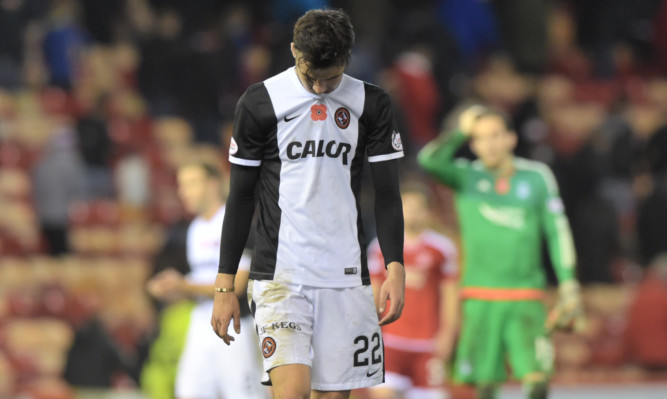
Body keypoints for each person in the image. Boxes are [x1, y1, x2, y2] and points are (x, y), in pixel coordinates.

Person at [210, 9, 406, 399]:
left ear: (347, 59)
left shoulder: (373, 103)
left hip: (345, 276)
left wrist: (395, 265)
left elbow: (386, 193)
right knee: (293, 392)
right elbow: (241, 195)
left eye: (329, 78)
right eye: (309, 76)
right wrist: (224, 284)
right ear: (293, 51)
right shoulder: (260, 101)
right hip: (280, 274)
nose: (319, 88)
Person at [417, 105, 585, 399]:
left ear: (511, 138)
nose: (489, 144)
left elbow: (557, 231)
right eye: (480, 138)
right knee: (484, 385)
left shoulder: (536, 177)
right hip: (480, 296)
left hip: (526, 295)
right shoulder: (465, 177)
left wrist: (569, 282)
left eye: (495, 135)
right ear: (473, 144)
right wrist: (459, 129)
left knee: (538, 382)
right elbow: (428, 160)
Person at [147, 162, 267, 399]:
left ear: (213, 184)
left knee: (244, 394)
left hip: (235, 324)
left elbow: (238, 285)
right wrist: (169, 288)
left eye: (191, 183)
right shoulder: (194, 229)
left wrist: (182, 285)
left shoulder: (237, 224)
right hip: (202, 321)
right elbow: (199, 283)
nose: (184, 192)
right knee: (190, 392)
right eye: (181, 185)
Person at [368, 183, 459, 399]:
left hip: (428, 343)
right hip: (390, 341)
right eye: (406, 207)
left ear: (427, 212)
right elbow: (372, 293)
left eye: (417, 207)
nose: (411, 213)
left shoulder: (441, 248)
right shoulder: (380, 247)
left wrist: (447, 335)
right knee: (382, 395)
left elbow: (450, 295)